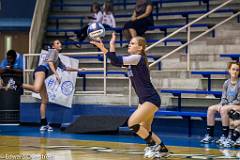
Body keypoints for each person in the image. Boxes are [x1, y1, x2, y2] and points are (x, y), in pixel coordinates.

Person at [90, 33, 169, 159]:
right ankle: (162, 149)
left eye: (132, 43)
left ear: (140, 48)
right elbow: (115, 62)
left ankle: (152, 145)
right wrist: (104, 47)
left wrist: (111, 45)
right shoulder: (133, 61)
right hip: (144, 100)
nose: (129, 45)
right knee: (145, 128)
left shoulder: (137, 58)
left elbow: (115, 60)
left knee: (132, 123)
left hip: (151, 99)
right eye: (130, 43)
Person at [22, 39, 82, 132]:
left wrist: (78, 69)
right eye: (57, 43)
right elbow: (50, 63)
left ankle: (44, 124)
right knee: (37, 89)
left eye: (60, 42)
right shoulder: (52, 51)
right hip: (41, 70)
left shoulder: (58, 58)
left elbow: (66, 68)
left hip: (43, 74)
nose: (60, 44)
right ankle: (16, 84)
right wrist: (56, 74)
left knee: (45, 100)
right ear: (53, 46)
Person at [200, 62, 240, 145]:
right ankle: (210, 135)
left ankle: (224, 136)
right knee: (211, 109)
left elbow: (238, 100)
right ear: (229, 70)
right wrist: (223, 103)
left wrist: (227, 105)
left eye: (237, 70)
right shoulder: (226, 83)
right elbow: (223, 97)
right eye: (233, 69)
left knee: (224, 109)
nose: (235, 72)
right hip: (227, 104)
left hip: (237, 105)